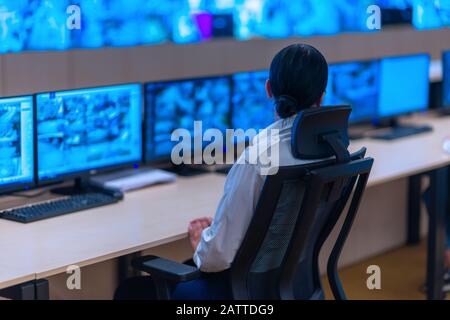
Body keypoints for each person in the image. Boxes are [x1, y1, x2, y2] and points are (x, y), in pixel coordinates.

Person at [114, 43, 329, 300]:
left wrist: (202, 241)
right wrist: (218, 234)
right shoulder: (330, 148)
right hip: (292, 285)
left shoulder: (258, 157)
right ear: (322, 96)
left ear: (268, 89)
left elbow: (215, 259)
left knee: (130, 291)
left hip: (240, 295)